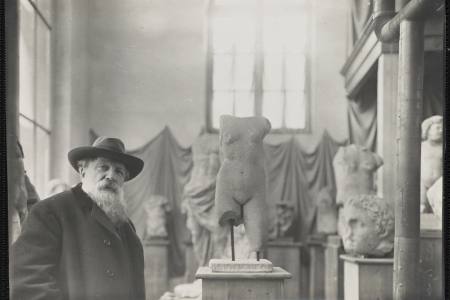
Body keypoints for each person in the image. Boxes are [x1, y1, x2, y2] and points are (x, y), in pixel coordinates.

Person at [11, 137, 146, 300]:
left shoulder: (126, 227)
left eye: (119, 171)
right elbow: (29, 282)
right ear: (82, 171)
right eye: (103, 167)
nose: (111, 176)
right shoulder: (51, 211)